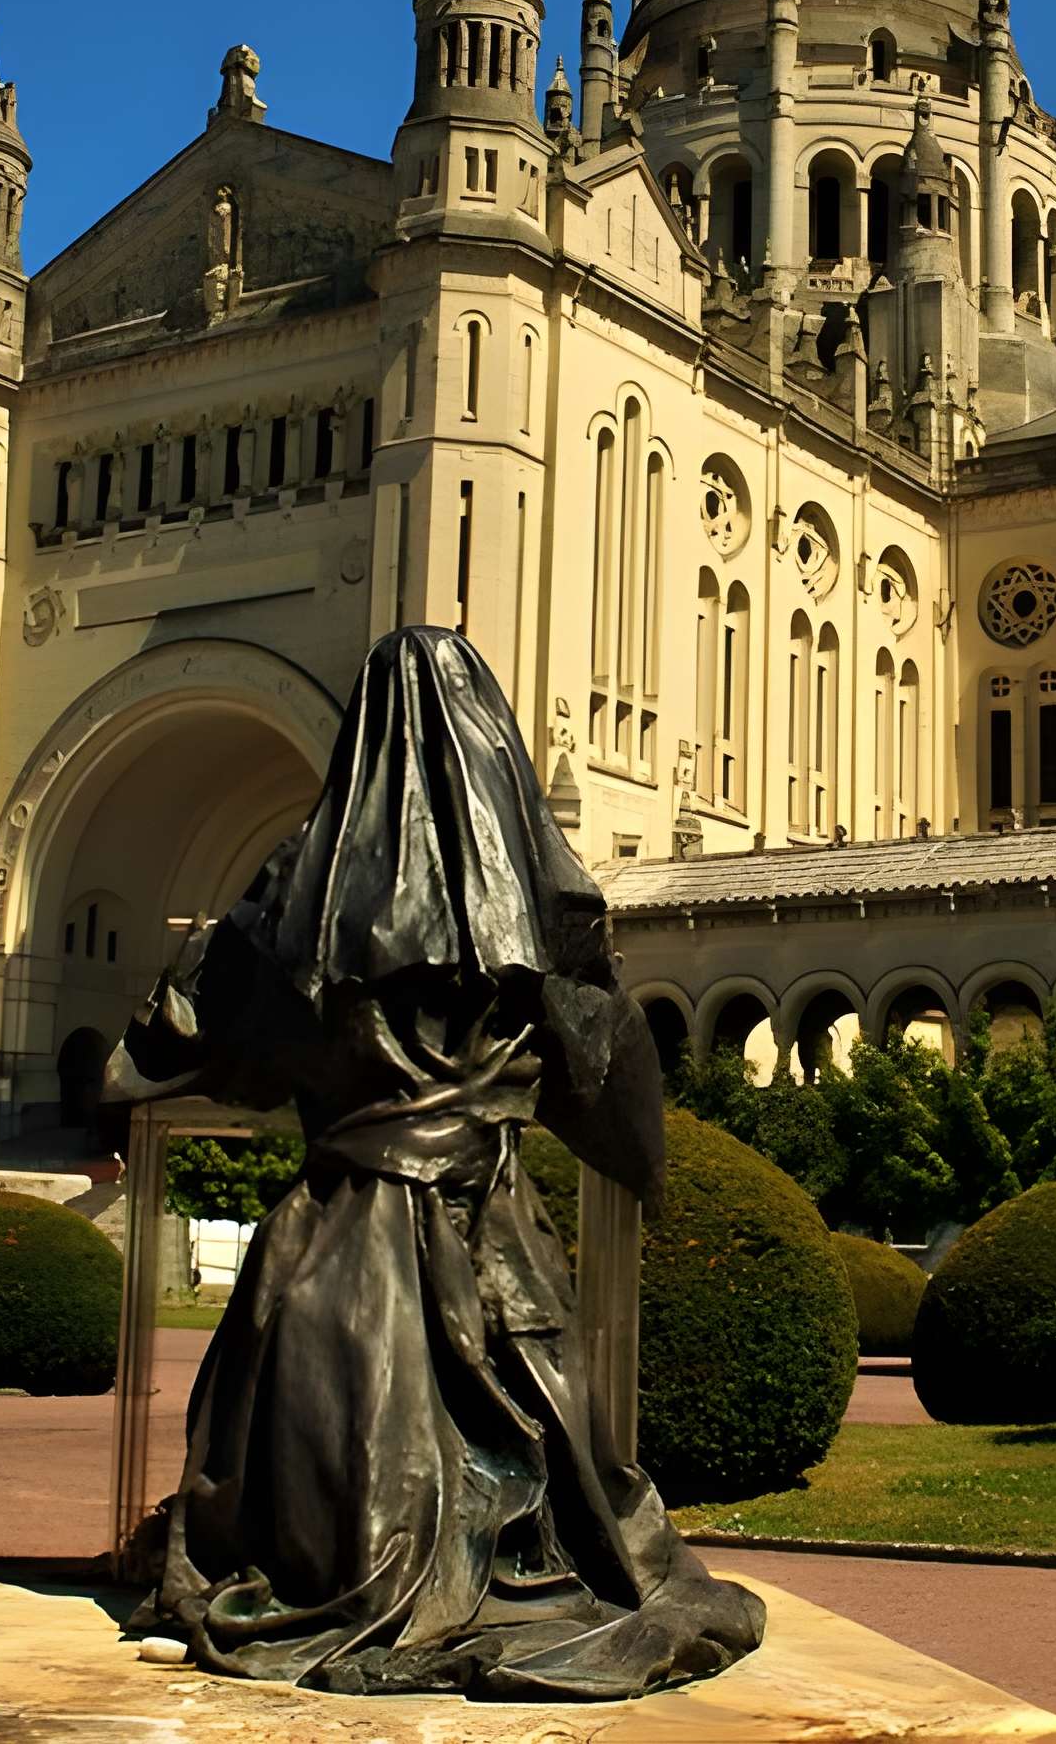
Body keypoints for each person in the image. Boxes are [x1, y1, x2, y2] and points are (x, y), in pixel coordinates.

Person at [111, 626, 762, 1699]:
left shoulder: (296, 892)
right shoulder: (544, 908)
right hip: (493, 1242)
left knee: (328, 1473)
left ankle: (358, 1572)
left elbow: (193, 1037)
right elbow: (607, 1066)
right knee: (551, 1456)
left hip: (333, 1255)